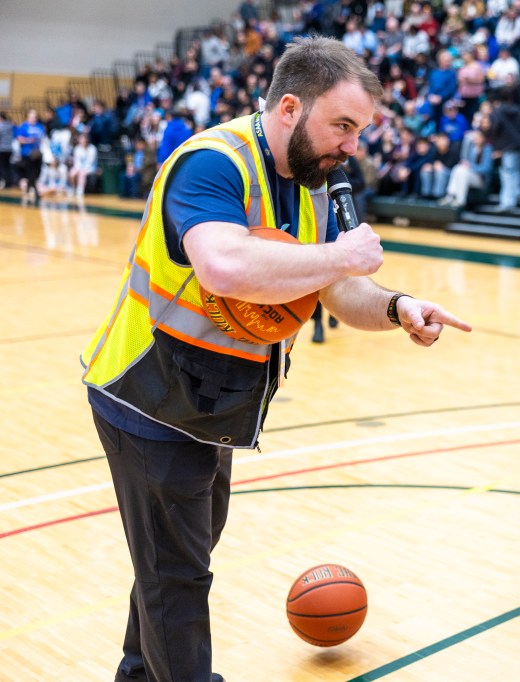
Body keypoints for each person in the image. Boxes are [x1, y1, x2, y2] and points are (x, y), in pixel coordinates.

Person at [81, 36, 472, 682]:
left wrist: (396, 305)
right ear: (290, 107)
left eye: (360, 131)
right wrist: (343, 257)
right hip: (148, 397)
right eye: (342, 126)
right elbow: (225, 263)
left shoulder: (315, 178)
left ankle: (138, 673)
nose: (353, 146)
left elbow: (336, 288)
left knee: (174, 559)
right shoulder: (212, 164)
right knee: (178, 572)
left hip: (213, 404)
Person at [67, 131, 98, 198]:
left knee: (82, 173)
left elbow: (91, 162)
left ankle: (80, 189)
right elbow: (77, 161)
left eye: (83, 139)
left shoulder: (92, 149)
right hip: (79, 167)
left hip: (91, 168)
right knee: (72, 173)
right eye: (81, 139)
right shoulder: (77, 148)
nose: (82, 141)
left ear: (87, 140)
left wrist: (82, 169)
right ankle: (73, 188)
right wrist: (78, 169)